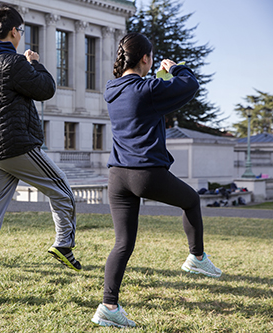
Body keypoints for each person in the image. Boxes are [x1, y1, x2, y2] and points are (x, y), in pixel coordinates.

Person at [90, 32, 222, 328]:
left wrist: (158, 80)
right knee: (191, 200)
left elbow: (145, 101)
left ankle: (108, 306)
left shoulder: (113, 90)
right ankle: (196, 258)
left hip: (118, 176)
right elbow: (190, 85)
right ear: (146, 59)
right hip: (145, 173)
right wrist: (175, 68)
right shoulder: (147, 89)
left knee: (122, 244)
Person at [0, 4, 81, 300]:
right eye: (21, 31)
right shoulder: (15, 63)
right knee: (62, 189)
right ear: (14, 31)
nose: (22, 36)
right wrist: (35, 63)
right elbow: (46, 89)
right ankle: (64, 244)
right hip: (14, 146)